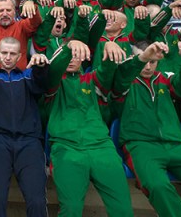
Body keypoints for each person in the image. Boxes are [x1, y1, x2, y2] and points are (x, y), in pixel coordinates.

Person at [114, 39, 181, 217]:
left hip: (175, 145)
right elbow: (120, 78)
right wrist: (141, 59)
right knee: (158, 187)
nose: (148, 66)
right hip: (141, 146)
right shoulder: (125, 79)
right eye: (144, 60)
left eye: (153, 61)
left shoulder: (165, 79)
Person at [45, 39, 134, 216]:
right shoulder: (52, 82)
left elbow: (107, 72)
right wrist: (68, 48)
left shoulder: (91, 80)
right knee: (71, 209)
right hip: (66, 148)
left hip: (102, 147)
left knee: (123, 209)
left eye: (76, 55)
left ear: (83, 59)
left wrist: (109, 45)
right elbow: (53, 70)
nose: (71, 59)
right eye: (68, 56)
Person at [0, 38, 49, 217]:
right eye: (4, 53)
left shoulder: (27, 76)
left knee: (37, 200)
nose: (8, 57)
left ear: (19, 56)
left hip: (28, 141)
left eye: (12, 54)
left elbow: (41, 84)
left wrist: (40, 66)